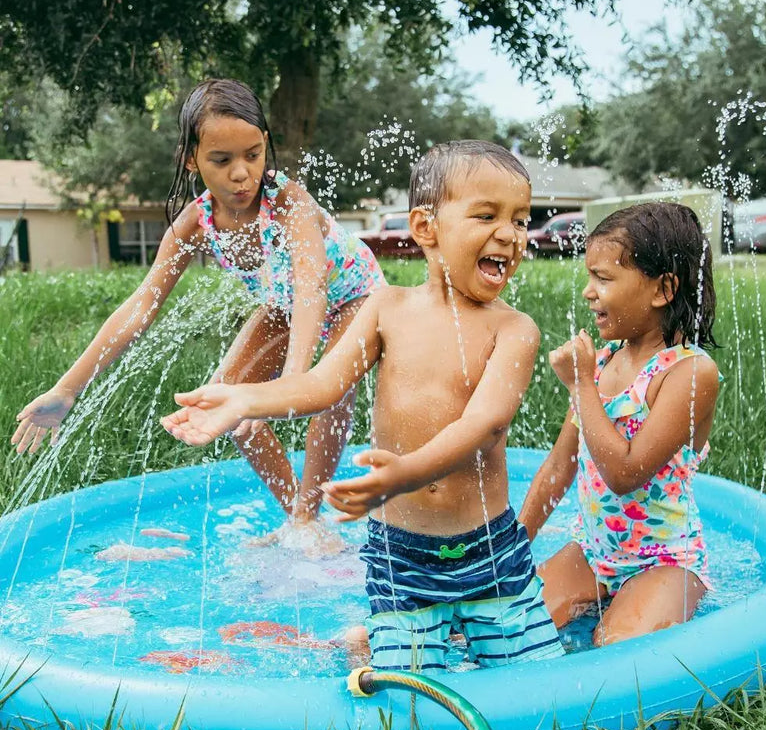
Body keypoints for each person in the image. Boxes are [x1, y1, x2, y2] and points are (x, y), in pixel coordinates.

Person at [161, 140, 564, 672]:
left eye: (520, 218)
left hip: (490, 552)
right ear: (426, 229)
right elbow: (323, 385)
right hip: (401, 556)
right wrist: (242, 399)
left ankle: (391, 640)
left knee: (538, 684)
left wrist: (402, 475)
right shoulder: (386, 308)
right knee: (412, 697)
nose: (510, 234)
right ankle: (375, 641)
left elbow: (486, 423)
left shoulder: (514, 329)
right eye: (487, 215)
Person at [11, 79, 386, 554]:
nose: (241, 173)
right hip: (285, 305)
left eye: (252, 154)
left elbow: (312, 289)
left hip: (354, 295)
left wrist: (290, 382)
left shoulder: (290, 203)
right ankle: (300, 519)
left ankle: (310, 513)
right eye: (222, 160)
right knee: (223, 402)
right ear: (192, 159)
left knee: (329, 393)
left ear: (265, 144)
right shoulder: (196, 222)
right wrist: (68, 389)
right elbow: (140, 305)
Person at [519, 202, 720, 646]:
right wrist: (510, 550)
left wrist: (581, 385)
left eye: (604, 279)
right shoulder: (604, 361)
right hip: (593, 550)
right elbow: (558, 468)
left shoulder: (688, 373)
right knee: (511, 629)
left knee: (614, 648)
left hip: (665, 559)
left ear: (662, 289)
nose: (588, 292)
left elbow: (625, 475)